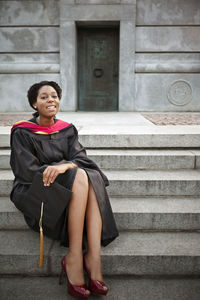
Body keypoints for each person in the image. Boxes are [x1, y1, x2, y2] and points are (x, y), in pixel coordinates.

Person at [10, 81, 119, 299]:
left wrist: (65, 165)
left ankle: (92, 258)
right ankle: (76, 257)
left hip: (70, 184)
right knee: (81, 175)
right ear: (34, 103)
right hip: (35, 187)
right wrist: (61, 169)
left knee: (88, 174)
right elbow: (26, 171)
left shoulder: (67, 130)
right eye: (44, 97)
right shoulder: (22, 132)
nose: (50, 100)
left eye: (54, 96)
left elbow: (81, 159)